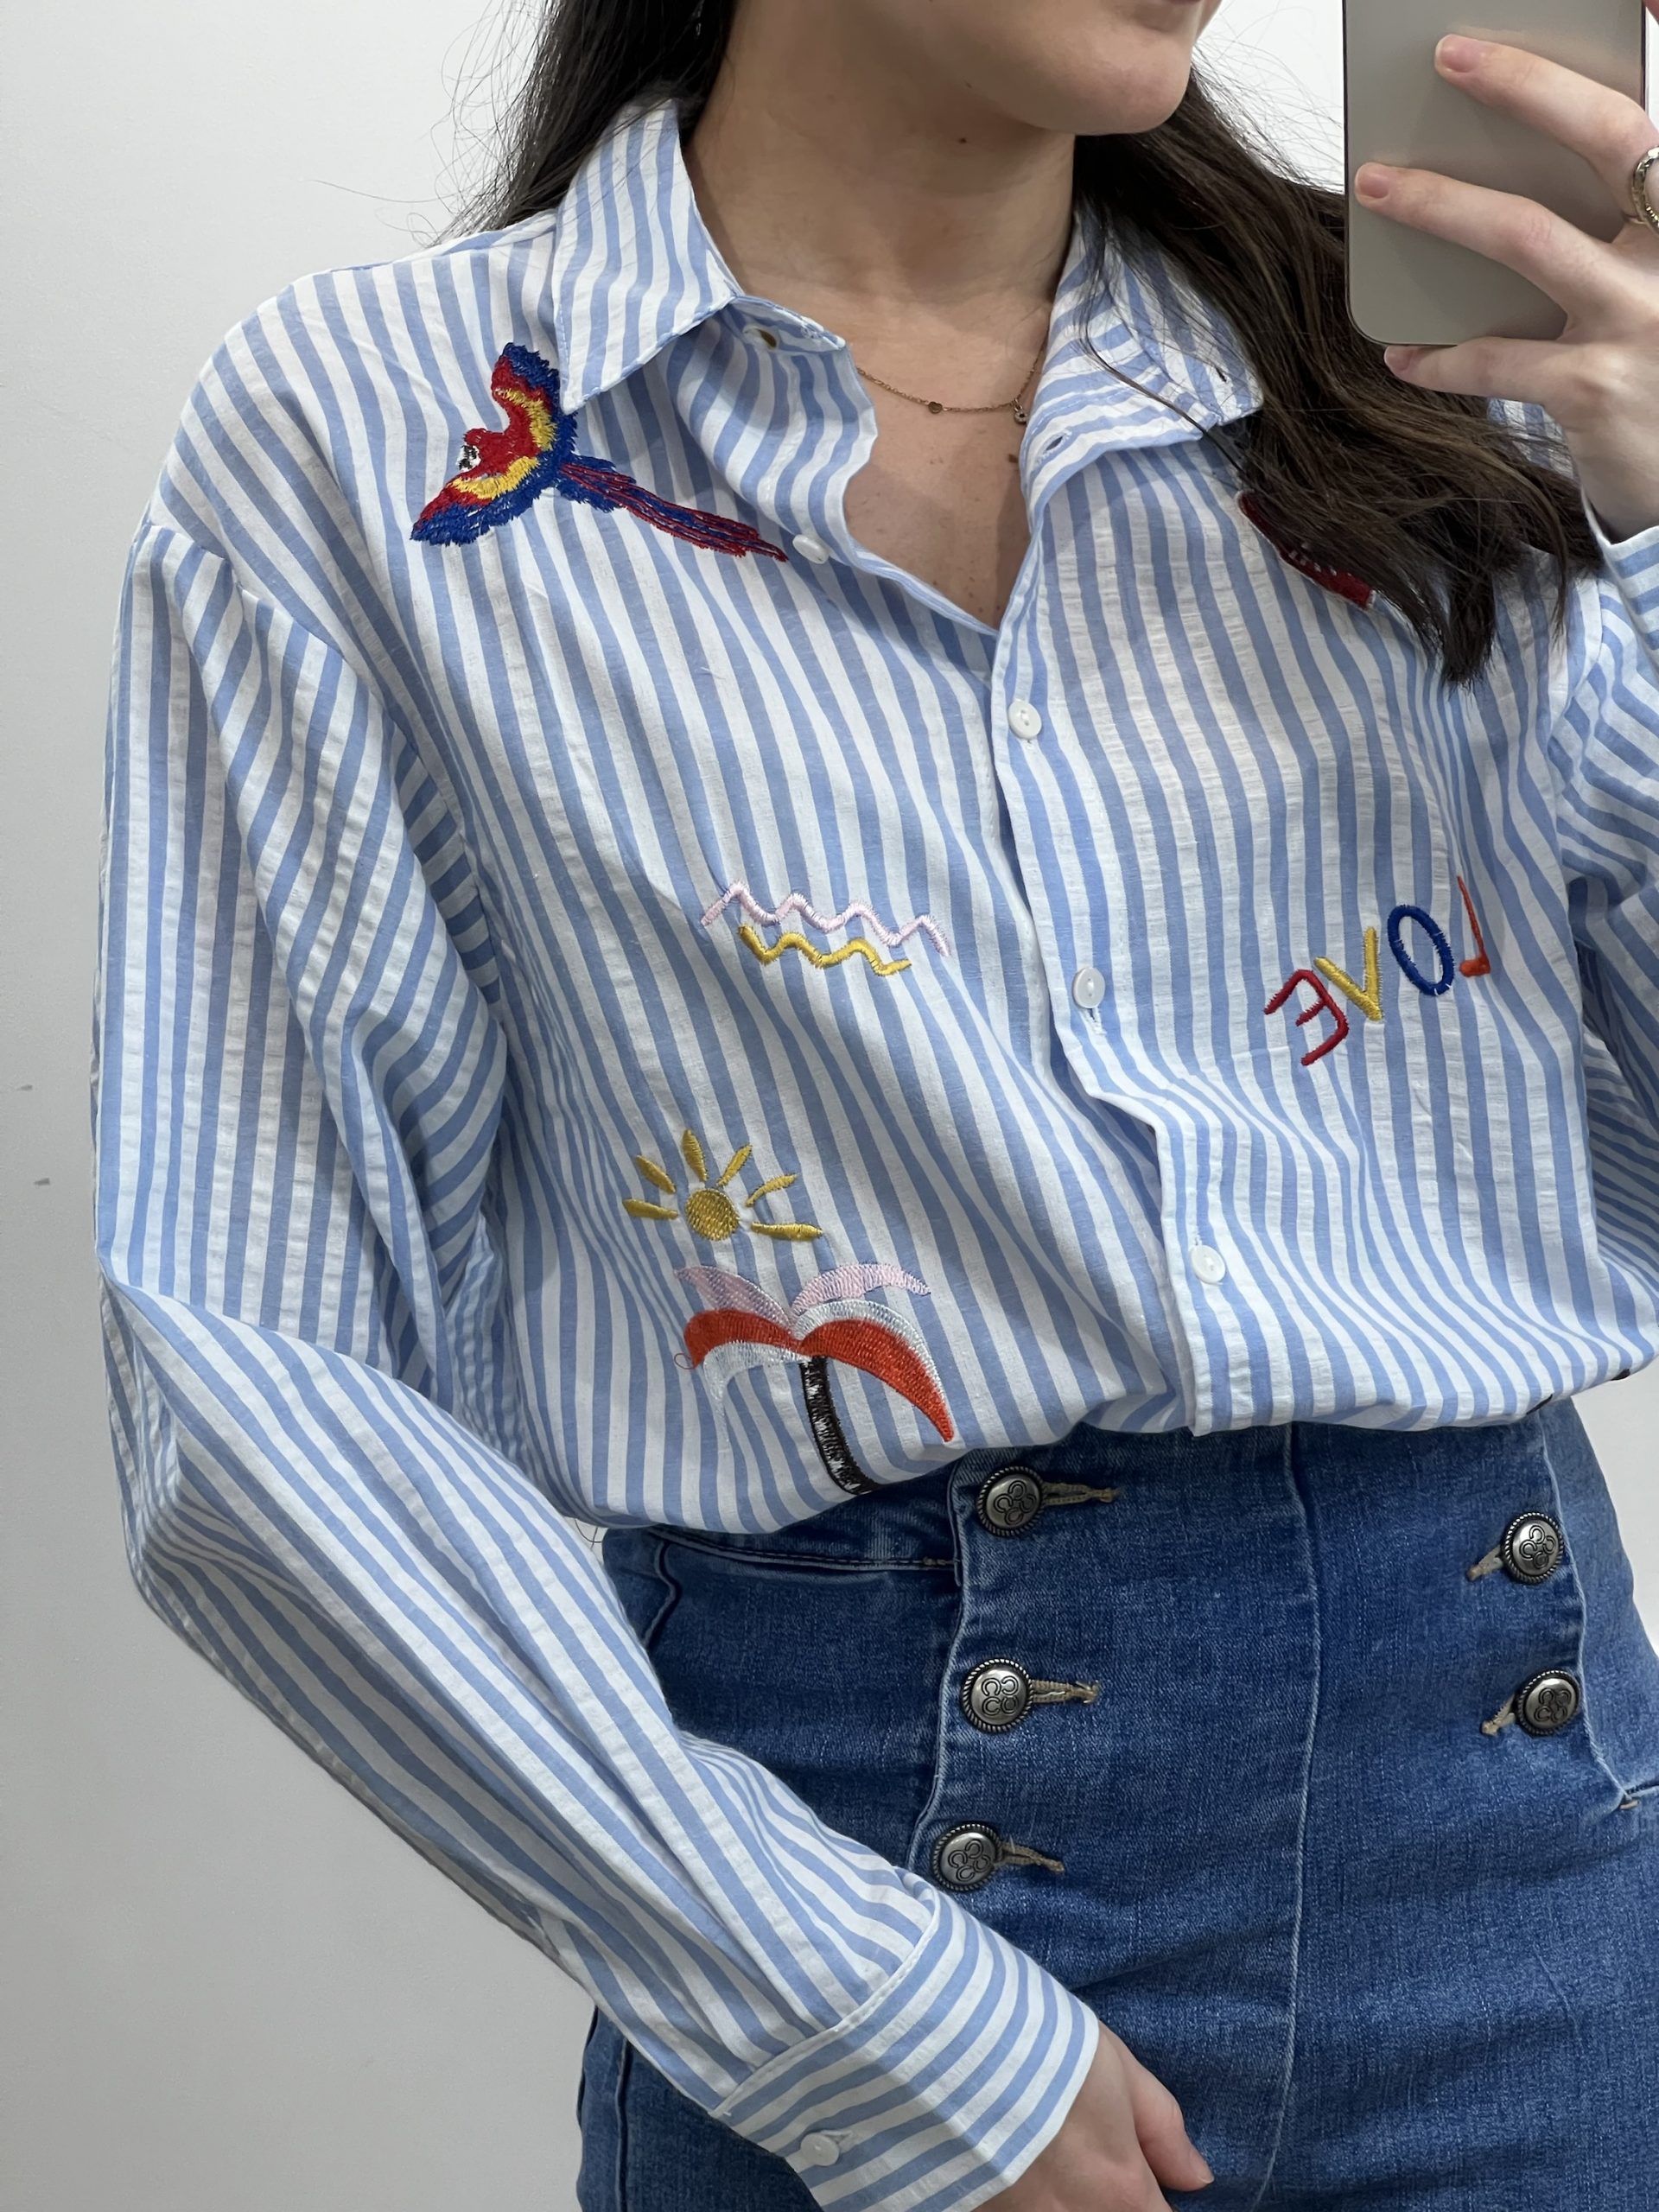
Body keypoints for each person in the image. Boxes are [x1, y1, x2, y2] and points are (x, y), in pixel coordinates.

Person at [89, 0, 1659, 2206]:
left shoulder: (1438, 372)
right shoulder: (378, 437)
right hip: (861, 1862)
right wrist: (846, 2015)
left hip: (1527, 1843)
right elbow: (246, 1356)